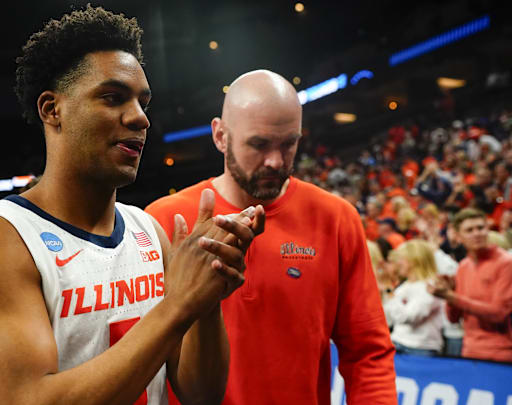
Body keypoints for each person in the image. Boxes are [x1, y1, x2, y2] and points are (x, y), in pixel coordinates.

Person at [0, 6, 264, 405]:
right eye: (113, 98)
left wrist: (206, 297)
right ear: (52, 109)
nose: (140, 118)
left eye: (143, 102)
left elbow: (202, 395)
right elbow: (28, 399)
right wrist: (179, 305)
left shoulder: (147, 230)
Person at [146, 70, 397, 404]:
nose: (276, 161)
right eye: (259, 144)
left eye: (289, 143)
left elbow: (368, 353)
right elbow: (143, 354)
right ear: (220, 136)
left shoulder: (336, 219)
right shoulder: (164, 220)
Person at [428, 208, 512, 362]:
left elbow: (499, 313)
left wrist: (452, 297)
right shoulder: (463, 266)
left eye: (480, 228)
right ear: (459, 237)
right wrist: (449, 291)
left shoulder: (506, 263)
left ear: (487, 229)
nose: (477, 233)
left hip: (500, 355)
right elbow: (453, 318)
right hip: (469, 352)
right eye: (469, 230)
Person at [383, 240, 445, 356]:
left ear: (415, 260)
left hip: (421, 349)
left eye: (402, 259)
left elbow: (407, 318)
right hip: (397, 343)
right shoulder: (404, 286)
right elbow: (388, 318)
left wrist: (389, 292)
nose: (398, 263)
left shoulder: (431, 287)